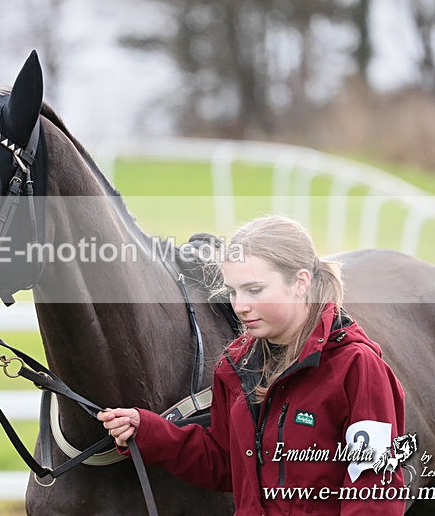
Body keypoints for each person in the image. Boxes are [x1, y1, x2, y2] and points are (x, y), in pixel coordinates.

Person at [98, 215, 406, 515]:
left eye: (254, 290)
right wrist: (149, 431)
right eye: (233, 291)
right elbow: (226, 463)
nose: (240, 306)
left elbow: (374, 491)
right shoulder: (235, 365)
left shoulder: (358, 367)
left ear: (300, 282)